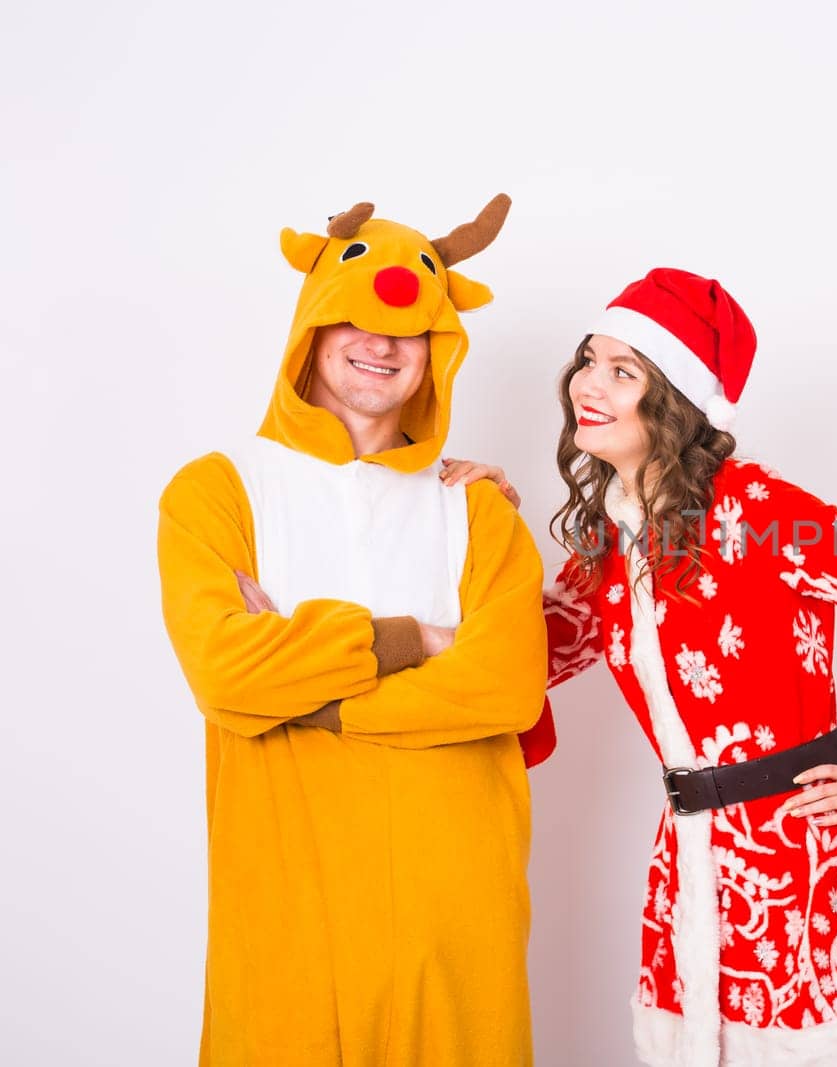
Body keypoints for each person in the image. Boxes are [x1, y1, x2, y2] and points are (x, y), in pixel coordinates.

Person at [444, 268, 837, 1066]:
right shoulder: (611, 541)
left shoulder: (760, 510)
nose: (589, 385)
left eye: (624, 372)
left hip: (800, 862)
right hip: (690, 866)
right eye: (590, 360)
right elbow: (520, 654)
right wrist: (487, 523)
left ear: (674, 402)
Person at [157, 196, 548, 1065]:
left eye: (408, 332)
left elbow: (508, 684)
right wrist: (420, 639)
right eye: (356, 319)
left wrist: (310, 697)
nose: (380, 344)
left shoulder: (477, 510)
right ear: (312, 325)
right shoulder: (217, 493)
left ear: (437, 353)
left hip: (454, 921)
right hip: (291, 911)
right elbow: (226, 670)